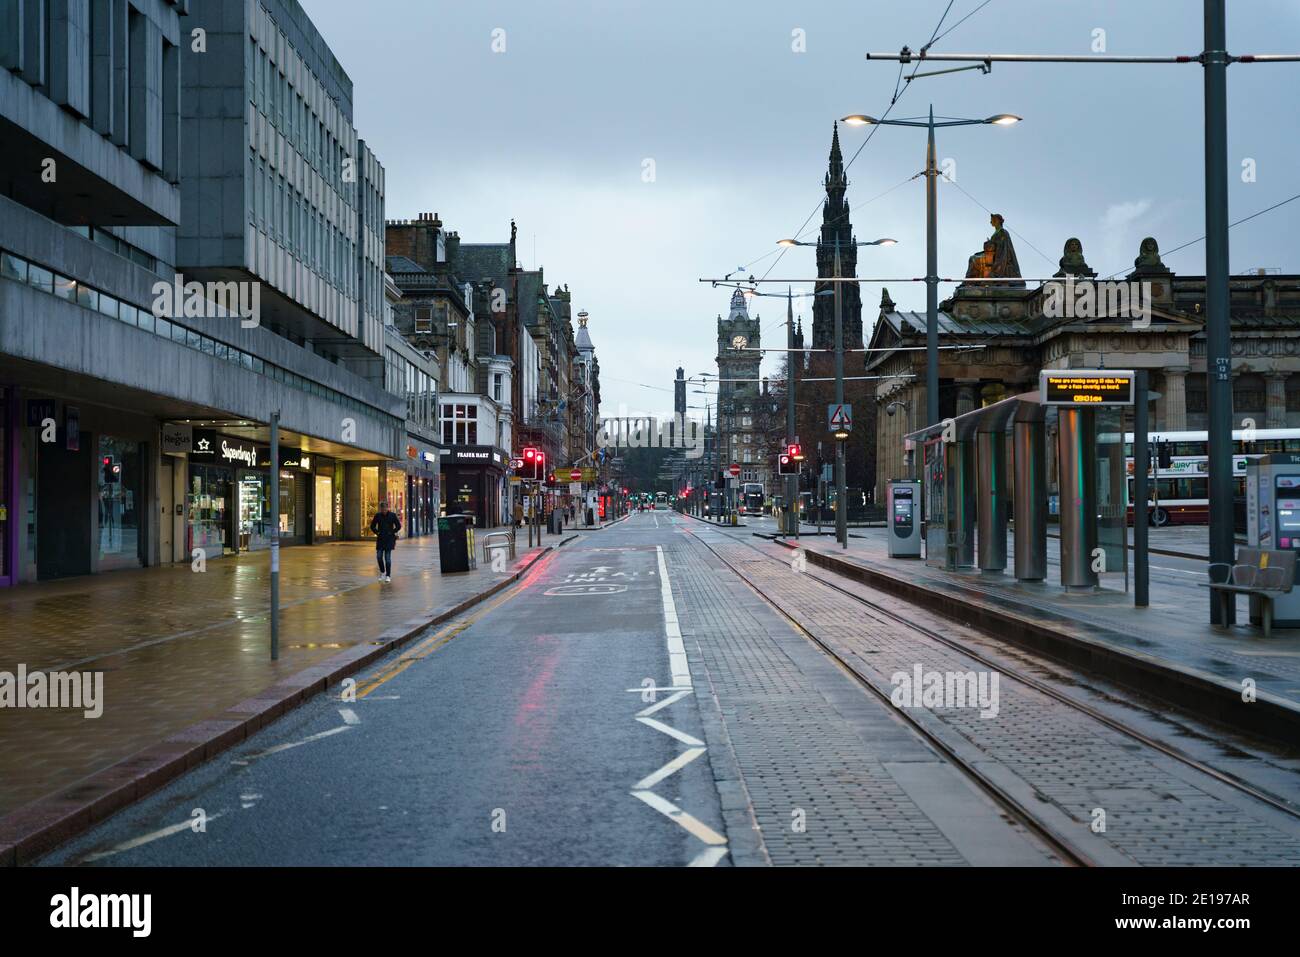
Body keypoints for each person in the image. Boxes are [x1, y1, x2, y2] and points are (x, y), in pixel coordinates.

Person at [369, 500, 401, 583]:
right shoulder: (378, 516)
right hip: (380, 539)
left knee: (387, 558)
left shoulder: (392, 515)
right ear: (380, 509)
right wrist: (377, 532)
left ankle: (388, 575)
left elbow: (398, 526)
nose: (384, 510)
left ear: (387, 508)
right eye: (382, 509)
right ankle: (382, 572)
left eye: (385, 509)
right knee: (379, 556)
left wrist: (392, 532)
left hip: (389, 539)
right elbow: (372, 526)